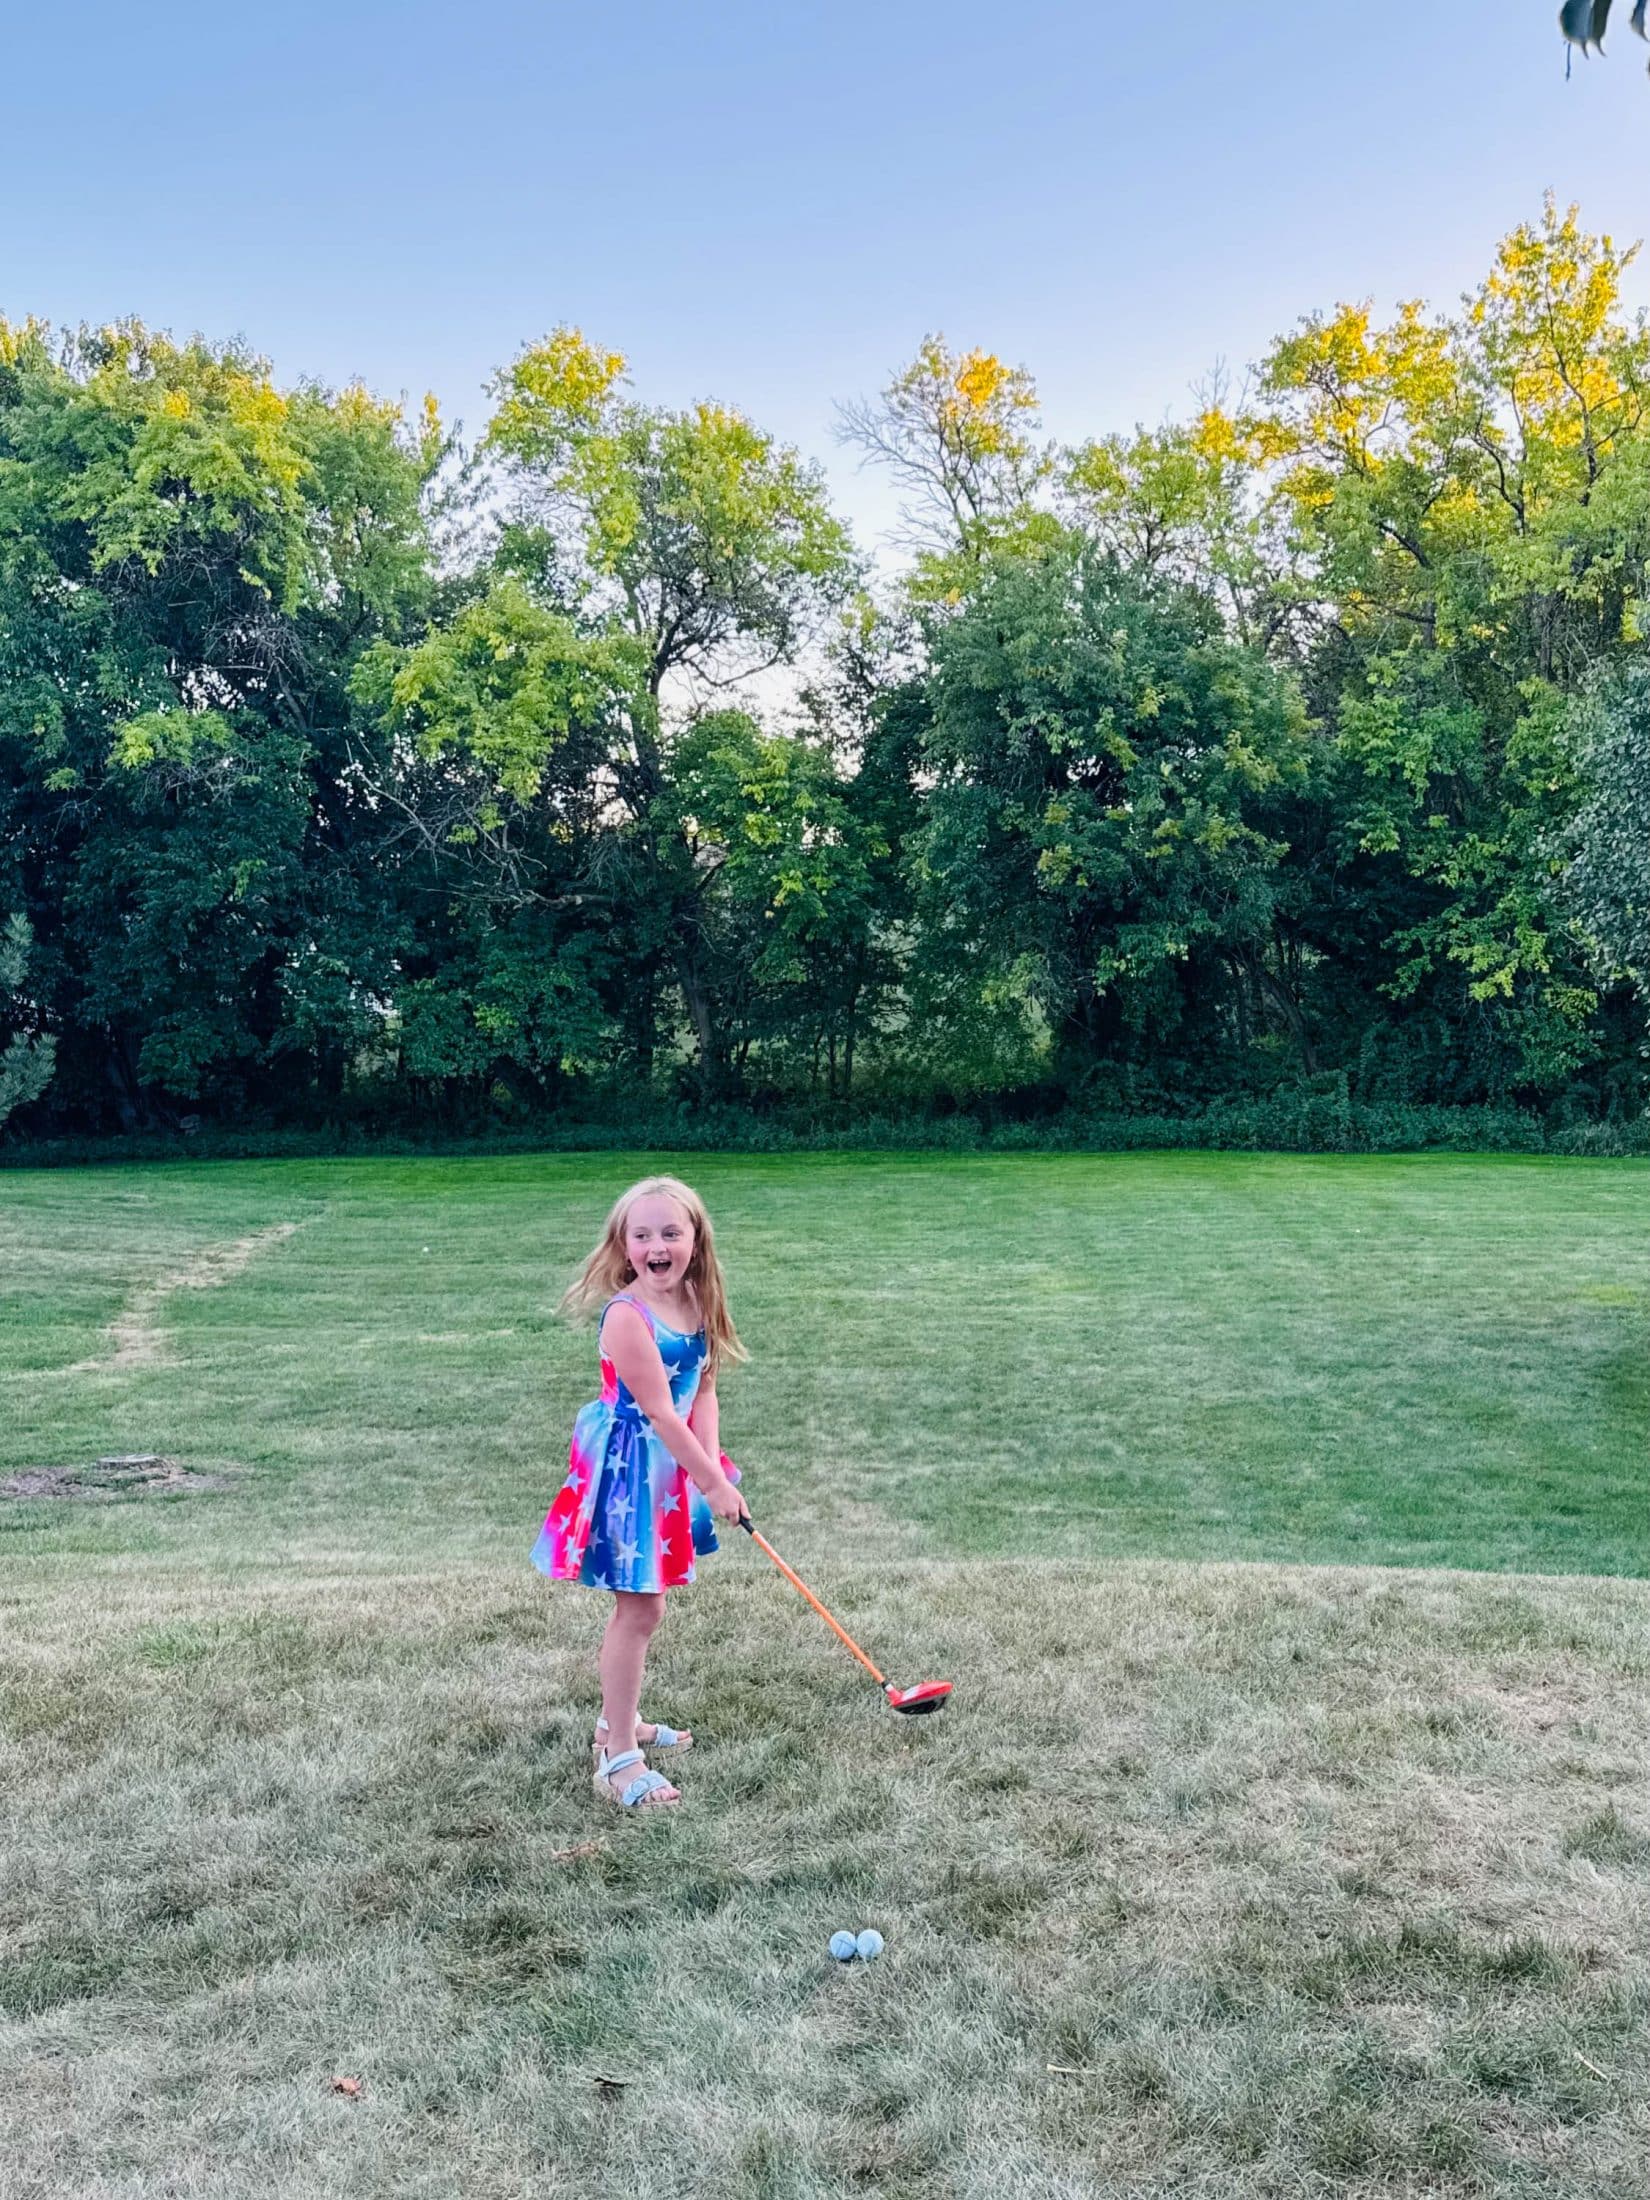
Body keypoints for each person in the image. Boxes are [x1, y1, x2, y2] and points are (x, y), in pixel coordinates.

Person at [534, 1174, 749, 1809]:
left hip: (671, 1467)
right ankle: (618, 1759)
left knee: (647, 1607)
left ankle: (616, 1724)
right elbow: (657, 1412)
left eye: (671, 1233)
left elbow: (703, 1392)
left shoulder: (698, 1299)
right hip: (629, 1468)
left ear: (695, 1240)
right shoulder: (627, 1317)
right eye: (643, 1235)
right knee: (640, 1610)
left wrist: (711, 1469)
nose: (658, 1246)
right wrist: (710, 1481)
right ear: (624, 1246)